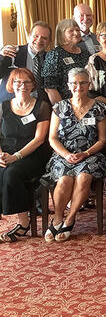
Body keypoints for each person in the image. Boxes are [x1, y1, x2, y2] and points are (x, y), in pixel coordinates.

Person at [44, 68, 106, 242]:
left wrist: (86, 153)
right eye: (74, 83)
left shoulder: (99, 108)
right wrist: (66, 155)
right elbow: (52, 138)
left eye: (82, 82)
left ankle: (70, 218)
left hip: (90, 155)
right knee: (65, 179)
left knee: (83, 178)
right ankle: (58, 217)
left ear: (89, 84)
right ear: (68, 85)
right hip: (63, 154)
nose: (78, 86)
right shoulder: (59, 107)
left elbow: (102, 140)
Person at [0, 68, 51, 242]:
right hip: (7, 153)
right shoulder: (3, 107)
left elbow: (39, 139)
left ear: (32, 85)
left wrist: (16, 157)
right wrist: (0, 154)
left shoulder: (42, 106)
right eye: (18, 82)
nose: (22, 85)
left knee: (11, 173)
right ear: (11, 85)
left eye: (27, 82)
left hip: (33, 155)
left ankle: (23, 223)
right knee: (2, 170)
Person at [0, 21, 52, 102]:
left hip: (38, 106)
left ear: (49, 42)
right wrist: (1, 56)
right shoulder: (13, 52)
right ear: (29, 37)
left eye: (44, 38)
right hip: (11, 105)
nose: (39, 40)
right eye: (36, 36)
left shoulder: (51, 58)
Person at [42, 19, 90, 104]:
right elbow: (50, 87)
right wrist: (62, 109)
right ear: (61, 34)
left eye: (77, 30)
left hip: (86, 103)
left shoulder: (85, 54)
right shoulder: (55, 55)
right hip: (66, 106)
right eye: (71, 30)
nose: (76, 33)